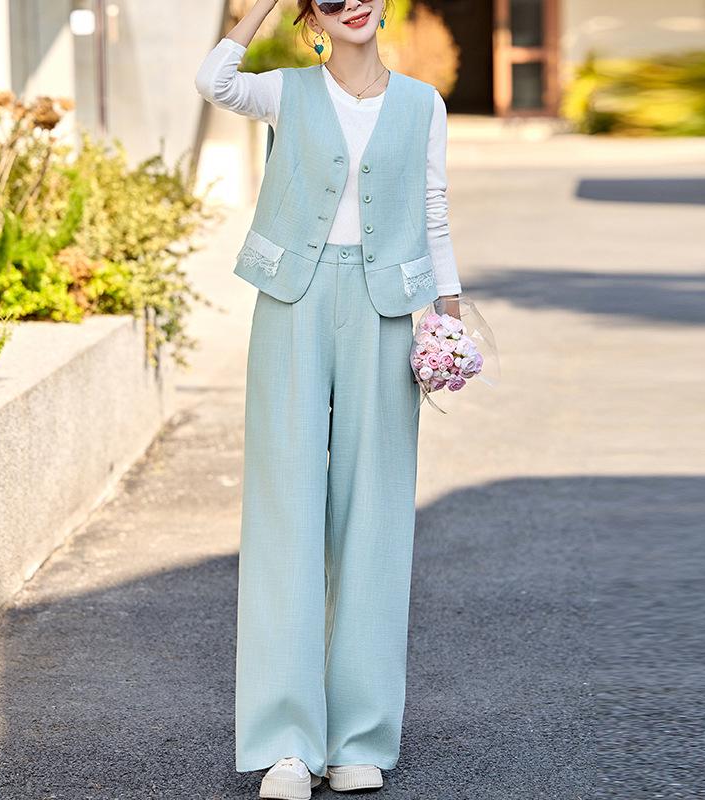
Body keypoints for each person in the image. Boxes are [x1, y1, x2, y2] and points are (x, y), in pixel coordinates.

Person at [194, 1, 462, 796]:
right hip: (292, 302)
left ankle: (359, 739)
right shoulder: (286, 90)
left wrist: (448, 320)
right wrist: (262, 7)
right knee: (285, 508)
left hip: (387, 308)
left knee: (376, 511)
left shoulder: (423, 104)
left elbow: (435, 211)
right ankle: (286, 743)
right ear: (312, 15)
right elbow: (214, 80)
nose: (352, 4)